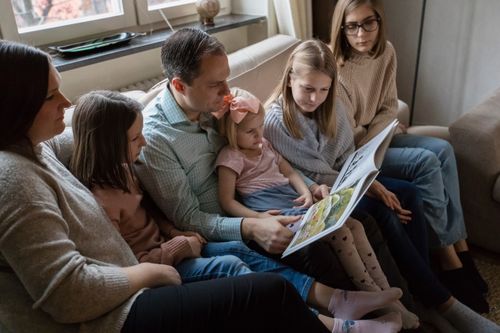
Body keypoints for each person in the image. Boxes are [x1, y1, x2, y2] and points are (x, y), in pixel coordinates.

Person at [0, 39, 394, 333]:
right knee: (276, 273)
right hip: (135, 293)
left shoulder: (39, 146)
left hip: (206, 229)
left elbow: (95, 126)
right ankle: (349, 318)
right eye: (52, 95)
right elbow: (69, 293)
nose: (66, 103)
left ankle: (382, 306)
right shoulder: (14, 177)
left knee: (366, 218)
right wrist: (155, 268)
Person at [68, 89, 403, 333]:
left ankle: (336, 298)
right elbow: (125, 266)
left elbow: (153, 215)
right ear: (109, 143)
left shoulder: (126, 168)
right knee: (229, 264)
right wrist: (176, 246)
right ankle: (332, 325)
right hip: (162, 267)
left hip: (181, 244)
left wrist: (174, 232)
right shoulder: (98, 199)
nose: (143, 144)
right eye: (135, 138)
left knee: (241, 251)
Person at [135, 27, 413, 304]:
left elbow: (270, 156)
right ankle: (366, 313)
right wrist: (251, 227)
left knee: (362, 221)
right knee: (317, 249)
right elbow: (189, 219)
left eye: (226, 79)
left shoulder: (222, 105)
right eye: (215, 84)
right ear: (180, 85)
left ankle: (403, 306)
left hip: (269, 202)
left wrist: (313, 186)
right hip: (230, 227)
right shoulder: (156, 139)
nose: (227, 91)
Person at [263, 38, 500, 333]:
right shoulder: (274, 120)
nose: (315, 98)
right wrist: (368, 186)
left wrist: (369, 180)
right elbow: (311, 172)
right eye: (308, 89)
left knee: (409, 194)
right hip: (320, 191)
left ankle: (423, 288)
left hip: (346, 180)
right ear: (289, 79)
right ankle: (436, 300)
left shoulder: (332, 106)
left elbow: (348, 156)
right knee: (383, 209)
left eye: (323, 89)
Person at [329, 0, 489, 314]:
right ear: (341, 28)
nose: (362, 33)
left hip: (379, 139)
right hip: (356, 155)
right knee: (425, 161)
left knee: (443, 150)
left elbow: (390, 106)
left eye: (368, 23)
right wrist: (379, 129)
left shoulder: (385, 51)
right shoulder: (335, 66)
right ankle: (447, 256)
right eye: (352, 26)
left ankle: (461, 248)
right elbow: (349, 134)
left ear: (378, 20)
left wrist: (380, 127)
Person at [215, 86, 416, 327]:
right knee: (339, 232)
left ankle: (384, 291)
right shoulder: (230, 157)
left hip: (295, 204)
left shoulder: (264, 146)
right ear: (229, 131)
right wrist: (257, 218)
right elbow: (227, 202)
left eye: (260, 128)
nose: (259, 136)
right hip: (278, 215)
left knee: (354, 225)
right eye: (250, 132)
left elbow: (289, 171)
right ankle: (373, 294)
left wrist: (305, 192)